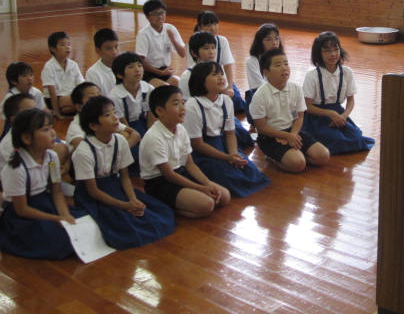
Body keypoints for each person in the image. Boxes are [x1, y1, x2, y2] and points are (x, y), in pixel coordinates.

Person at [72, 96, 175, 250]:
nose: (115, 117)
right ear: (93, 125)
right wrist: (124, 205)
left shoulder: (119, 141)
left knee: (159, 213)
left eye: (114, 112)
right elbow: (92, 191)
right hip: (95, 194)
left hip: (116, 186)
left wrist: (133, 199)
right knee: (124, 226)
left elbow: (125, 177)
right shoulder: (84, 151)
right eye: (107, 115)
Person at [139, 85, 230, 218]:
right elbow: (168, 174)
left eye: (183, 102)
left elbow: (189, 164)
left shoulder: (181, 129)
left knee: (224, 196)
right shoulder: (154, 137)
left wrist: (207, 184)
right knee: (206, 205)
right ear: (159, 111)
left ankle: (186, 201)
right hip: (160, 182)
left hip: (179, 172)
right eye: (176, 104)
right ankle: (165, 207)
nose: (183, 108)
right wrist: (201, 188)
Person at [0, 108, 79, 259]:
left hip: (45, 202)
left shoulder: (52, 157)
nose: (53, 133)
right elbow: (21, 209)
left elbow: (56, 190)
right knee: (56, 240)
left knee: (79, 221)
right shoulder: (16, 168)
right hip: (23, 214)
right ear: (27, 138)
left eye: (52, 128)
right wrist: (55, 219)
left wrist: (64, 214)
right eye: (46, 130)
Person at [184, 61, 269, 197]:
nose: (221, 77)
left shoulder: (226, 100)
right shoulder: (192, 106)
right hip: (202, 152)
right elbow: (197, 144)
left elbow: (230, 133)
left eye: (221, 73)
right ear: (201, 80)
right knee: (224, 172)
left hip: (221, 145)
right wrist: (227, 157)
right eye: (214, 74)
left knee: (248, 169)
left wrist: (234, 154)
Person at [249, 48, 330, 173]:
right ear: (266, 72)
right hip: (270, 137)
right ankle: (273, 157)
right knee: (298, 164)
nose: (284, 68)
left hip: (293, 131)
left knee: (323, 156)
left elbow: (299, 117)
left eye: (286, 64)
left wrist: (293, 135)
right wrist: (286, 136)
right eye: (278, 65)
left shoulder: (296, 89)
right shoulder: (260, 95)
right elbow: (262, 127)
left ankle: (293, 155)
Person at [302, 32, 374, 155]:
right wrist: (330, 113)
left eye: (336, 49)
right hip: (316, 116)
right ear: (318, 53)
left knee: (357, 137)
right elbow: (307, 106)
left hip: (339, 114)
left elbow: (351, 100)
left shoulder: (346, 72)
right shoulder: (312, 75)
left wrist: (344, 116)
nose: (333, 54)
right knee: (336, 139)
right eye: (327, 50)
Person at [181, 32, 253, 150]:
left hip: (217, 112)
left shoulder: (217, 70)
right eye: (206, 48)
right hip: (201, 116)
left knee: (242, 136)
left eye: (213, 48)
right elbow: (185, 104)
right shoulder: (187, 76)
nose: (211, 52)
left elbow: (222, 93)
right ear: (194, 53)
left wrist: (225, 92)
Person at [108, 52, 155, 176]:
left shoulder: (149, 89)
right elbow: (122, 123)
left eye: (139, 65)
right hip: (126, 129)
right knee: (137, 154)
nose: (137, 70)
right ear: (120, 74)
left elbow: (150, 118)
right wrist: (138, 140)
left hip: (143, 124)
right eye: (131, 67)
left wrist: (150, 137)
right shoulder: (115, 95)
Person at [192, 11, 246, 113]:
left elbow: (228, 66)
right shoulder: (194, 43)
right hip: (203, 83)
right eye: (208, 25)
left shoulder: (222, 41)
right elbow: (193, 72)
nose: (213, 28)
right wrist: (219, 89)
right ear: (199, 27)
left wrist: (229, 87)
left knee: (237, 101)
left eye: (215, 24)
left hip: (221, 80)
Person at [66, 82, 140, 154]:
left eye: (99, 95)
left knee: (124, 135)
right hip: (90, 160)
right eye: (92, 98)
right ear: (79, 107)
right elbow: (84, 150)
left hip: (110, 156)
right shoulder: (76, 126)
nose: (99, 101)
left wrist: (120, 152)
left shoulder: (107, 118)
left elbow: (135, 134)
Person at [135, 0, 186, 87]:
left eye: (162, 12)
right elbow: (141, 61)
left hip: (165, 70)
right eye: (155, 14)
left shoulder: (170, 28)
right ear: (148, 17)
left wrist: (173, 40)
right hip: (148, 72)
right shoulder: (143, 34)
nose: (160, 16)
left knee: (180, 83)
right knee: (164, 88)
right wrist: (160, 72)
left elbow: (182, 54)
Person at [41, 31, 84, 118]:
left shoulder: (73, 64)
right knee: (84, 100)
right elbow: (52, 92)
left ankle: (67, 109)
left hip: (69, 97)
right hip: (54, 99)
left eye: (69, 44)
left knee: (70, 107)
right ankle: (58, 110)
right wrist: (58, 114)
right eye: (63, 45)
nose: (67, 47)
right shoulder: (49, 66)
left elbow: (81, 85)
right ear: (53, 49)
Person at [245, 23, 283, 121]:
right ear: (260, 42)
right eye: (268, 39)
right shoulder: (252, 61)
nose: (274, 43)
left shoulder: (280, 59)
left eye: (276, 39)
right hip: (261, 99)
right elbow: (260, 87)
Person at [0, 62, 47, 138]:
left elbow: (43, 110)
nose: (29, 78)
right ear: (13, 81)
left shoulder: (36, 93)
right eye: (24, 75)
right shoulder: (10, 98)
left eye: (31, 75)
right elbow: (4, 119)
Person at [85, 28, 120, 96]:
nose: (114, 52)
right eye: (108, 48)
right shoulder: (93, 73)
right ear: (98, 50)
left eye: (116, 47)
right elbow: (96, 99)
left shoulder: (125, 66)